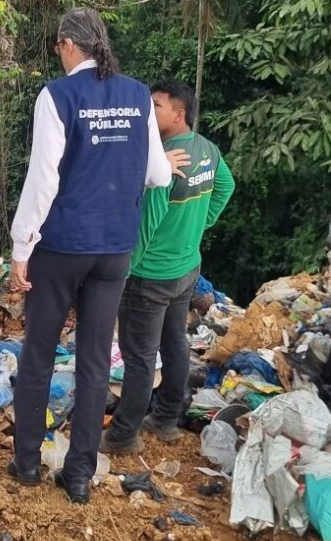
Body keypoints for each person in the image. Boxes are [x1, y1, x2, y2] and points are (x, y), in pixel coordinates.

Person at [7, 7, 181, 505]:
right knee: (94, 362)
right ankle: (79, 474)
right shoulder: (136, 94)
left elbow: (43, 180)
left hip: (61, 246)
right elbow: (157, 176)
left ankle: (26, 464)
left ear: (67, 44)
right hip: (114, 250)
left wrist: (23, 247)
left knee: (39, 354)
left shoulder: (57, 96)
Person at [100, 79, 235, 455]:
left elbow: (146, 226)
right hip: (186, 270)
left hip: (151, 276)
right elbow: (226, 185)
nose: (148, 110)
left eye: (156, 106)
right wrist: (196, 228)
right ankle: (166, 419)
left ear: (178, 114)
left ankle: (123, 435)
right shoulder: (207, 150)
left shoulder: (167, 163)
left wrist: (122, 273)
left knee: (140, 358)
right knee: (174, 343)